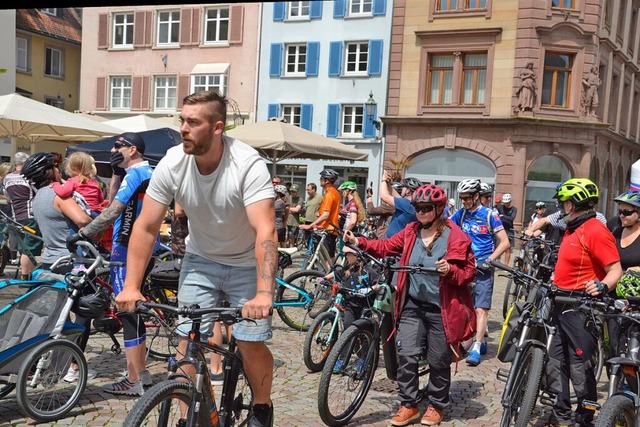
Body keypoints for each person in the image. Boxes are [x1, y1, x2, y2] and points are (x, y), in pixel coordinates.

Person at [113, 91, 276, 427]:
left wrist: (263, 293)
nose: (184, 128)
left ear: (217, 127)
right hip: (200, 259)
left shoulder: (248, 164)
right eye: (182, 120)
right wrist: (131, 286)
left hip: (247, 262)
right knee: (187, 343)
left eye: (193, 122)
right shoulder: (174, 162)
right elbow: (145, 227)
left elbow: (265, 232)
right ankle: (194, 417)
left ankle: (262, 406)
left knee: (249, 343)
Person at [343, 183, 476, 427]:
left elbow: (469, 272)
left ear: (439, 209)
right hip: (412, 304)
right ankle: (409, 404)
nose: (421, 213)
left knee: (438, 360)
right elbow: (384, 247)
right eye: (417, 208)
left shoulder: (455, 236)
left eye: (426, 208)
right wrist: (360, 241)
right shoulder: (410, 231)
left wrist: (450, 271)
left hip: (441, 308)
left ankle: (436, 405)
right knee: (407, 355)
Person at [70, 131, 157, 396]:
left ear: (132, 149)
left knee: (127, 311)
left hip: (126, 248)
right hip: (145, 247)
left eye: (118, 146)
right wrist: (116, 174)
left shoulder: (136, 174)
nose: (113, 150)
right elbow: (113, 198)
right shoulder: (148, 172)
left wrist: (83, 234)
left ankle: (133, 380)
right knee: (134, 311)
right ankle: (141, 373)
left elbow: (113, 210)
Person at [546, 178, 622, 427]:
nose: (560, 207)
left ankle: (585, 415)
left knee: (580, 367)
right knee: (556, 362)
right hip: (560, 301)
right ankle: (560, 414)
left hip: (581, 308)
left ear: (573, 205)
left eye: (563, 203)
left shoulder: (595, 230)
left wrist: (601, 286)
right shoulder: (571, 228)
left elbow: (615, 270)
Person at [20, 152, 100, 382]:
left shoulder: (38, 197)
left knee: (55, 313)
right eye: (56, 167)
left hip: (50, 261)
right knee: (83, 313)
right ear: (50, 171)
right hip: (73, 261)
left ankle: (52, 361)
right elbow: (83, 220)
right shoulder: (58, 194)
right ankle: (73, 365)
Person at [450, 178, 510, 366]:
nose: (464, 201)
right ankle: (480, 338)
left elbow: (505, 242)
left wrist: (490, 260)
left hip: (484, 267)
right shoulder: (460, 215)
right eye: (462, 198)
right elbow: (445, 229)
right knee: (465, 306)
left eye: (467, 198)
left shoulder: (489, 215)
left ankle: (476, 346)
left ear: (477, 196)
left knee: (481, 308)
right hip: (465, 267)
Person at [3, 151, 41, 279]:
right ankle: (26, 276)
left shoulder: (7, 178)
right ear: (25, 163)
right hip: (30, 216)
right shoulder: (29, 178)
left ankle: (26, 274)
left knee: (22, 247)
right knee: (30, 248)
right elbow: (39, 193)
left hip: (15, 216)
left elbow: (8, 198)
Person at [299, 169, 341, 258]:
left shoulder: (329, 194)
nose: (319, 180)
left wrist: (310, 225)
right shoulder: (335, 192)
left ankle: (331, 272)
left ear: (327, 181)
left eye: (321, 178)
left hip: (327, 230)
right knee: (330, 258)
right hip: (331, 229)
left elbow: (326, 215)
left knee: (326, 259)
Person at [53, 151, 105, 217]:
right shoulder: (95, 183)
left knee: (70, 227)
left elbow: (63, 192)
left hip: (83, 212)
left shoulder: (73, 181)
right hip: (96, 213)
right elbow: (101, 200)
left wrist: (56, 184)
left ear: (71, 168)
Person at [379, 172, 422, 238]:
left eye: (403, 187)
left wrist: (383, 180)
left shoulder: (406, 204)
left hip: (392, 243)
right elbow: (397, 196)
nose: (402, 189)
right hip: (395, 240)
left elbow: (383, 196)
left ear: (408, 190)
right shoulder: (410, 204)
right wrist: (388, 184)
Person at [496, 193, 517, 265]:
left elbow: (512, 218)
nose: (506, 204)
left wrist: (503, 216)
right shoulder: (499, 207)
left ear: (510, 201)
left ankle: (506, 265)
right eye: (505, 203)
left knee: (507, 248)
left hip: (509, 230)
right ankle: (498, 262)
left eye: (507, 203)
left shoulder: (514, 209)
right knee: (499, 246)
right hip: (500, 229)